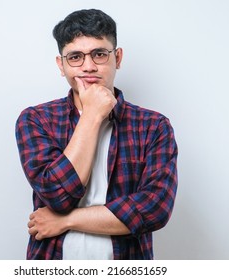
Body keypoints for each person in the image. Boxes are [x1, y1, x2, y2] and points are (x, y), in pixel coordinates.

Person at [15, 9, 178, 260]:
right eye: (75, 57)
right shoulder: (36, 120)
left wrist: (66, 220)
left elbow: (154, 209)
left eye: (100, 54)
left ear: (118, 57)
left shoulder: (153, 126)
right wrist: (92, 115)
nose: (88, 66)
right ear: (61, 64)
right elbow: (57, 195)